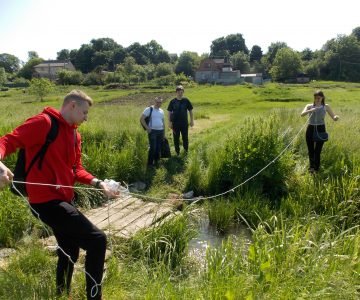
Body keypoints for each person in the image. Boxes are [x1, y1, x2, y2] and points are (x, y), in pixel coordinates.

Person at [0, 90, 118, 300]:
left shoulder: (75, 135)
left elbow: (76, 170)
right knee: (98, 240)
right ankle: (94, 297)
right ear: (72, 105)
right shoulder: (43, 123)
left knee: (69, 249)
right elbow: (7, 141)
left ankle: (62, 294)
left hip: (64, 200)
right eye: (84, 112)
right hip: (45, 202)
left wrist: (99, 184)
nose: (86, 118)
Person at [301, 90, 339, 172]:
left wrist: (336, 117)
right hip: (310, 128)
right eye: (315, 97)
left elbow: (333, 116)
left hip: (321, 128)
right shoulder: (309, 106)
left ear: (322, 98)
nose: (317, 99)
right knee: (310, 150)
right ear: (314, 98)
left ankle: (316, 169)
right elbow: (302, 114)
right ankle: (311, 168)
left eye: (319, 97)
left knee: (317, 151)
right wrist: (310, 110)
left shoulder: (326, 106)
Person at [167, 85, 194, 156]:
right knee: (176, 139)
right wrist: (169, 122)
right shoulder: (172, 102)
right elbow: (169, 112)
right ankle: (177, 153)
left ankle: (186, 151)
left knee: (185, 138)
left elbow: (190, 110)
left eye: (181, 92)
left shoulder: (186, 101)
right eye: (178, 92)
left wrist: (192, 121)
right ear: (176, 92)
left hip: (184, 124)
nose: (180, 93)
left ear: (183, 92)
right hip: (175, 124)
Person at [140, 97, 165, 167]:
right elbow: (142, 119)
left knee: (158, 147)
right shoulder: (149, 109)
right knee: (153, 147)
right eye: (157, 102)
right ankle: (150, 163)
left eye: (160, 102)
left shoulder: (161, 111)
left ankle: (157, 161)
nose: (159, 104)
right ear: (154, 102)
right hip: (152, 131)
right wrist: (147, 128)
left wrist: (164, 133)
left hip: (160, 131)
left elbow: (163, 122)